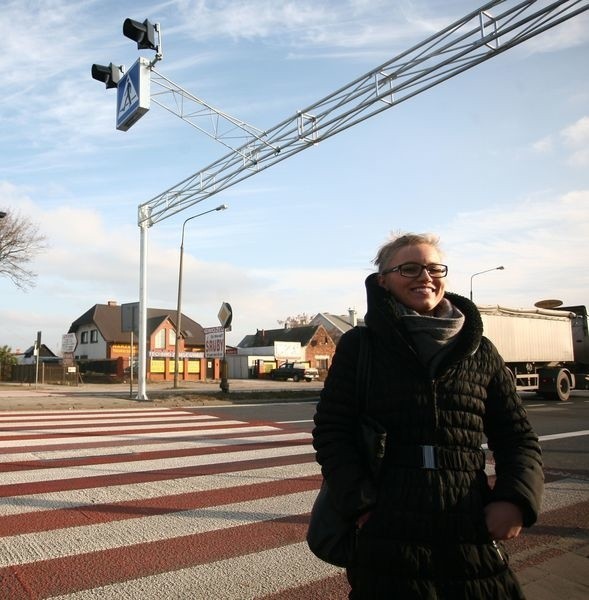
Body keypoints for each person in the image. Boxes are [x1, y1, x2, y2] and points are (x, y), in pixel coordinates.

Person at [312, 232, 544, 599]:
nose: (425, 276)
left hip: (469, 518)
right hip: (388, 525)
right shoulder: (361, 346)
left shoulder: (479, 350)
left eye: (435, 268)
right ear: (383, 280)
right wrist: (361, 503)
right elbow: (331, 431)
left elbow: (517, 436)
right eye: (410, 268)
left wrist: (515, 499)